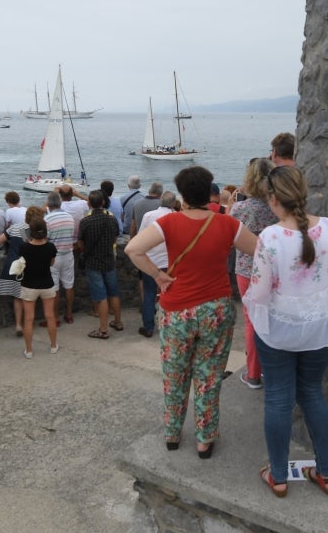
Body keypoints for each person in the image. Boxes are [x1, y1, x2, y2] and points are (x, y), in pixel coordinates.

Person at [242, 166, 328, 498]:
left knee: (279, 398)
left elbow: (262, 292)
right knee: (312, 393)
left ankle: (279, 477)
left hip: (280, 328)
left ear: (272, 198)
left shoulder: (270, 237)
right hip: (320, 325)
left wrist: (252, 305)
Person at [125, 166, 258, 459]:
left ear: (183, 195)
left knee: (175, 374)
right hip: (216, 310)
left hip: (177, 311)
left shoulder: (169, 222)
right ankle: (204, 439)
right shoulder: (227, 224)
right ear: (210, 192)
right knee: (209, 376)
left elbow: (133, 249)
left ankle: (172, 433)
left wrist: (158, 276)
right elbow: (261, 251)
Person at [229, 157, 277, 389]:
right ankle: (272, 370)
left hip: (247, 270)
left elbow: (227, 234)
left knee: (252, 320)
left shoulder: (241, 208)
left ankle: (253, 374)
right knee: (274, 317)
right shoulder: (277, 207)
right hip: (275, 268)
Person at [77, 191, 122, 338]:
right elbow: (115, 239)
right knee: (113, 293)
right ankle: (118, 321)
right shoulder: (112, 219)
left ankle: (103, 329)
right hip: (109, 260)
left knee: (101, 296)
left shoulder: (85, 222)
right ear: (103, 202)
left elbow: (80, 244)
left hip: (93, 262)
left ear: (89, 204)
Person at [0, 204, 30, 337]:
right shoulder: (37, 230)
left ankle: (18, 325)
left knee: (17, 296)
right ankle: (28, 323)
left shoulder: (15, 228)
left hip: (15, 264)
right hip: (30, 265)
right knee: (28, 296)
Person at [134, 191, 176, 338]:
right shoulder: (176, 217)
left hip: (150, 261)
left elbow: (141, 237)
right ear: (173, 203)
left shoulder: (149, 216)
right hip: (169, 262)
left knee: (149, 294)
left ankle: (148, 327)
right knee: (170, 294)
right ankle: (170, 325)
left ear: (160, 201)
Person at [18, 219, 58, 357]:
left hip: (29, 285)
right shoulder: (51, 247)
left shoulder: (23, 247)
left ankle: (29, 350)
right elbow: (51, 263)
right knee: (50, 315)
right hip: (47, 283)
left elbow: (21, 263)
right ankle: (53, 345)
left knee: (28, 318)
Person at [43, 192, 76, 326]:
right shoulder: (70, 217)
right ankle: (69, 314)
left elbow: (46, 239)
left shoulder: (47, 219)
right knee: (69, 286)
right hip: (68, 254)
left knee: (55, 289)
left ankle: (55, 318)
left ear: (49, 204)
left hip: (54, 257)